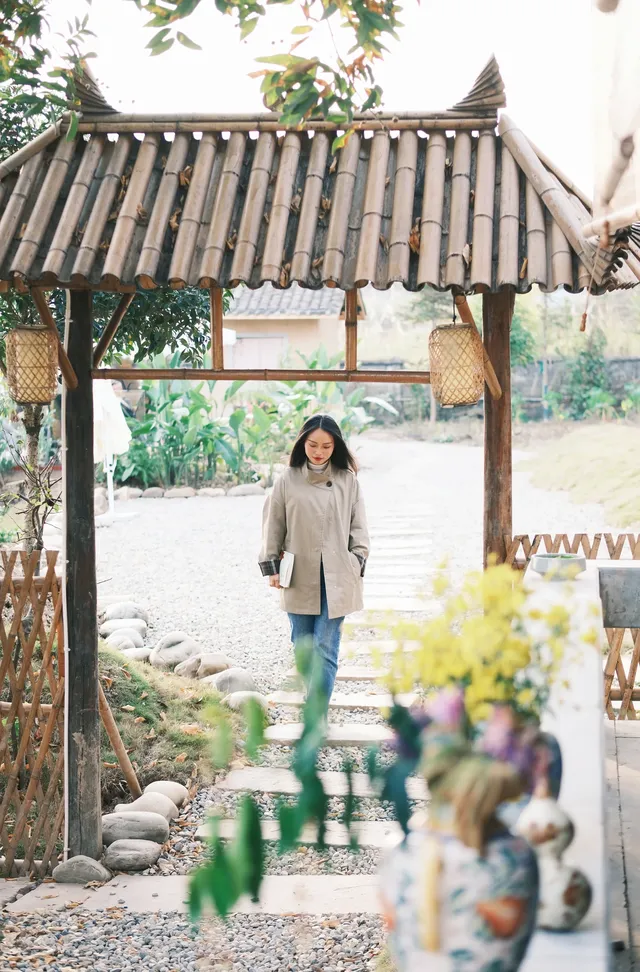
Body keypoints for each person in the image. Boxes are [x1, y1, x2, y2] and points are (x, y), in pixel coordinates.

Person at [259, 414, 370, 711]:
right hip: (298, 572)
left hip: (338, 574)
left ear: (336, 446)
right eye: (313, 445)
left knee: (325, 646)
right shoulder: (287, 480)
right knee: (303, 645)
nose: (319, 451)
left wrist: (356, 561)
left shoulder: (348, 481)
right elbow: (273, 526)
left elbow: (359, 530)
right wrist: (271, 565)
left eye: (326, 446)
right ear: (302, 443)